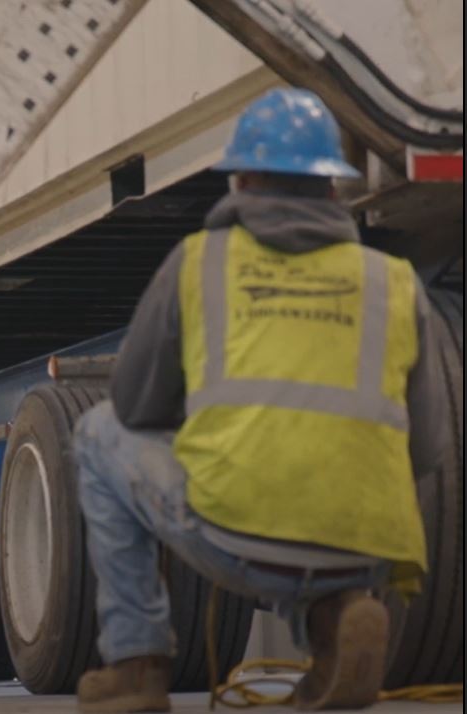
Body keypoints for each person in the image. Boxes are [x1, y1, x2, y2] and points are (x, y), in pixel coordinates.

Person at [72, 87, 449, 712]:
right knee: (320, 513)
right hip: (367, 545)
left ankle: (136, 666)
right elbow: (429, 447)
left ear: (240, 180)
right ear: (333, 189)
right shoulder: (394, 282)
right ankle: (338, 620)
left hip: (236, 537)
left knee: (96, 432)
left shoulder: (199, 263)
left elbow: (136, 409)